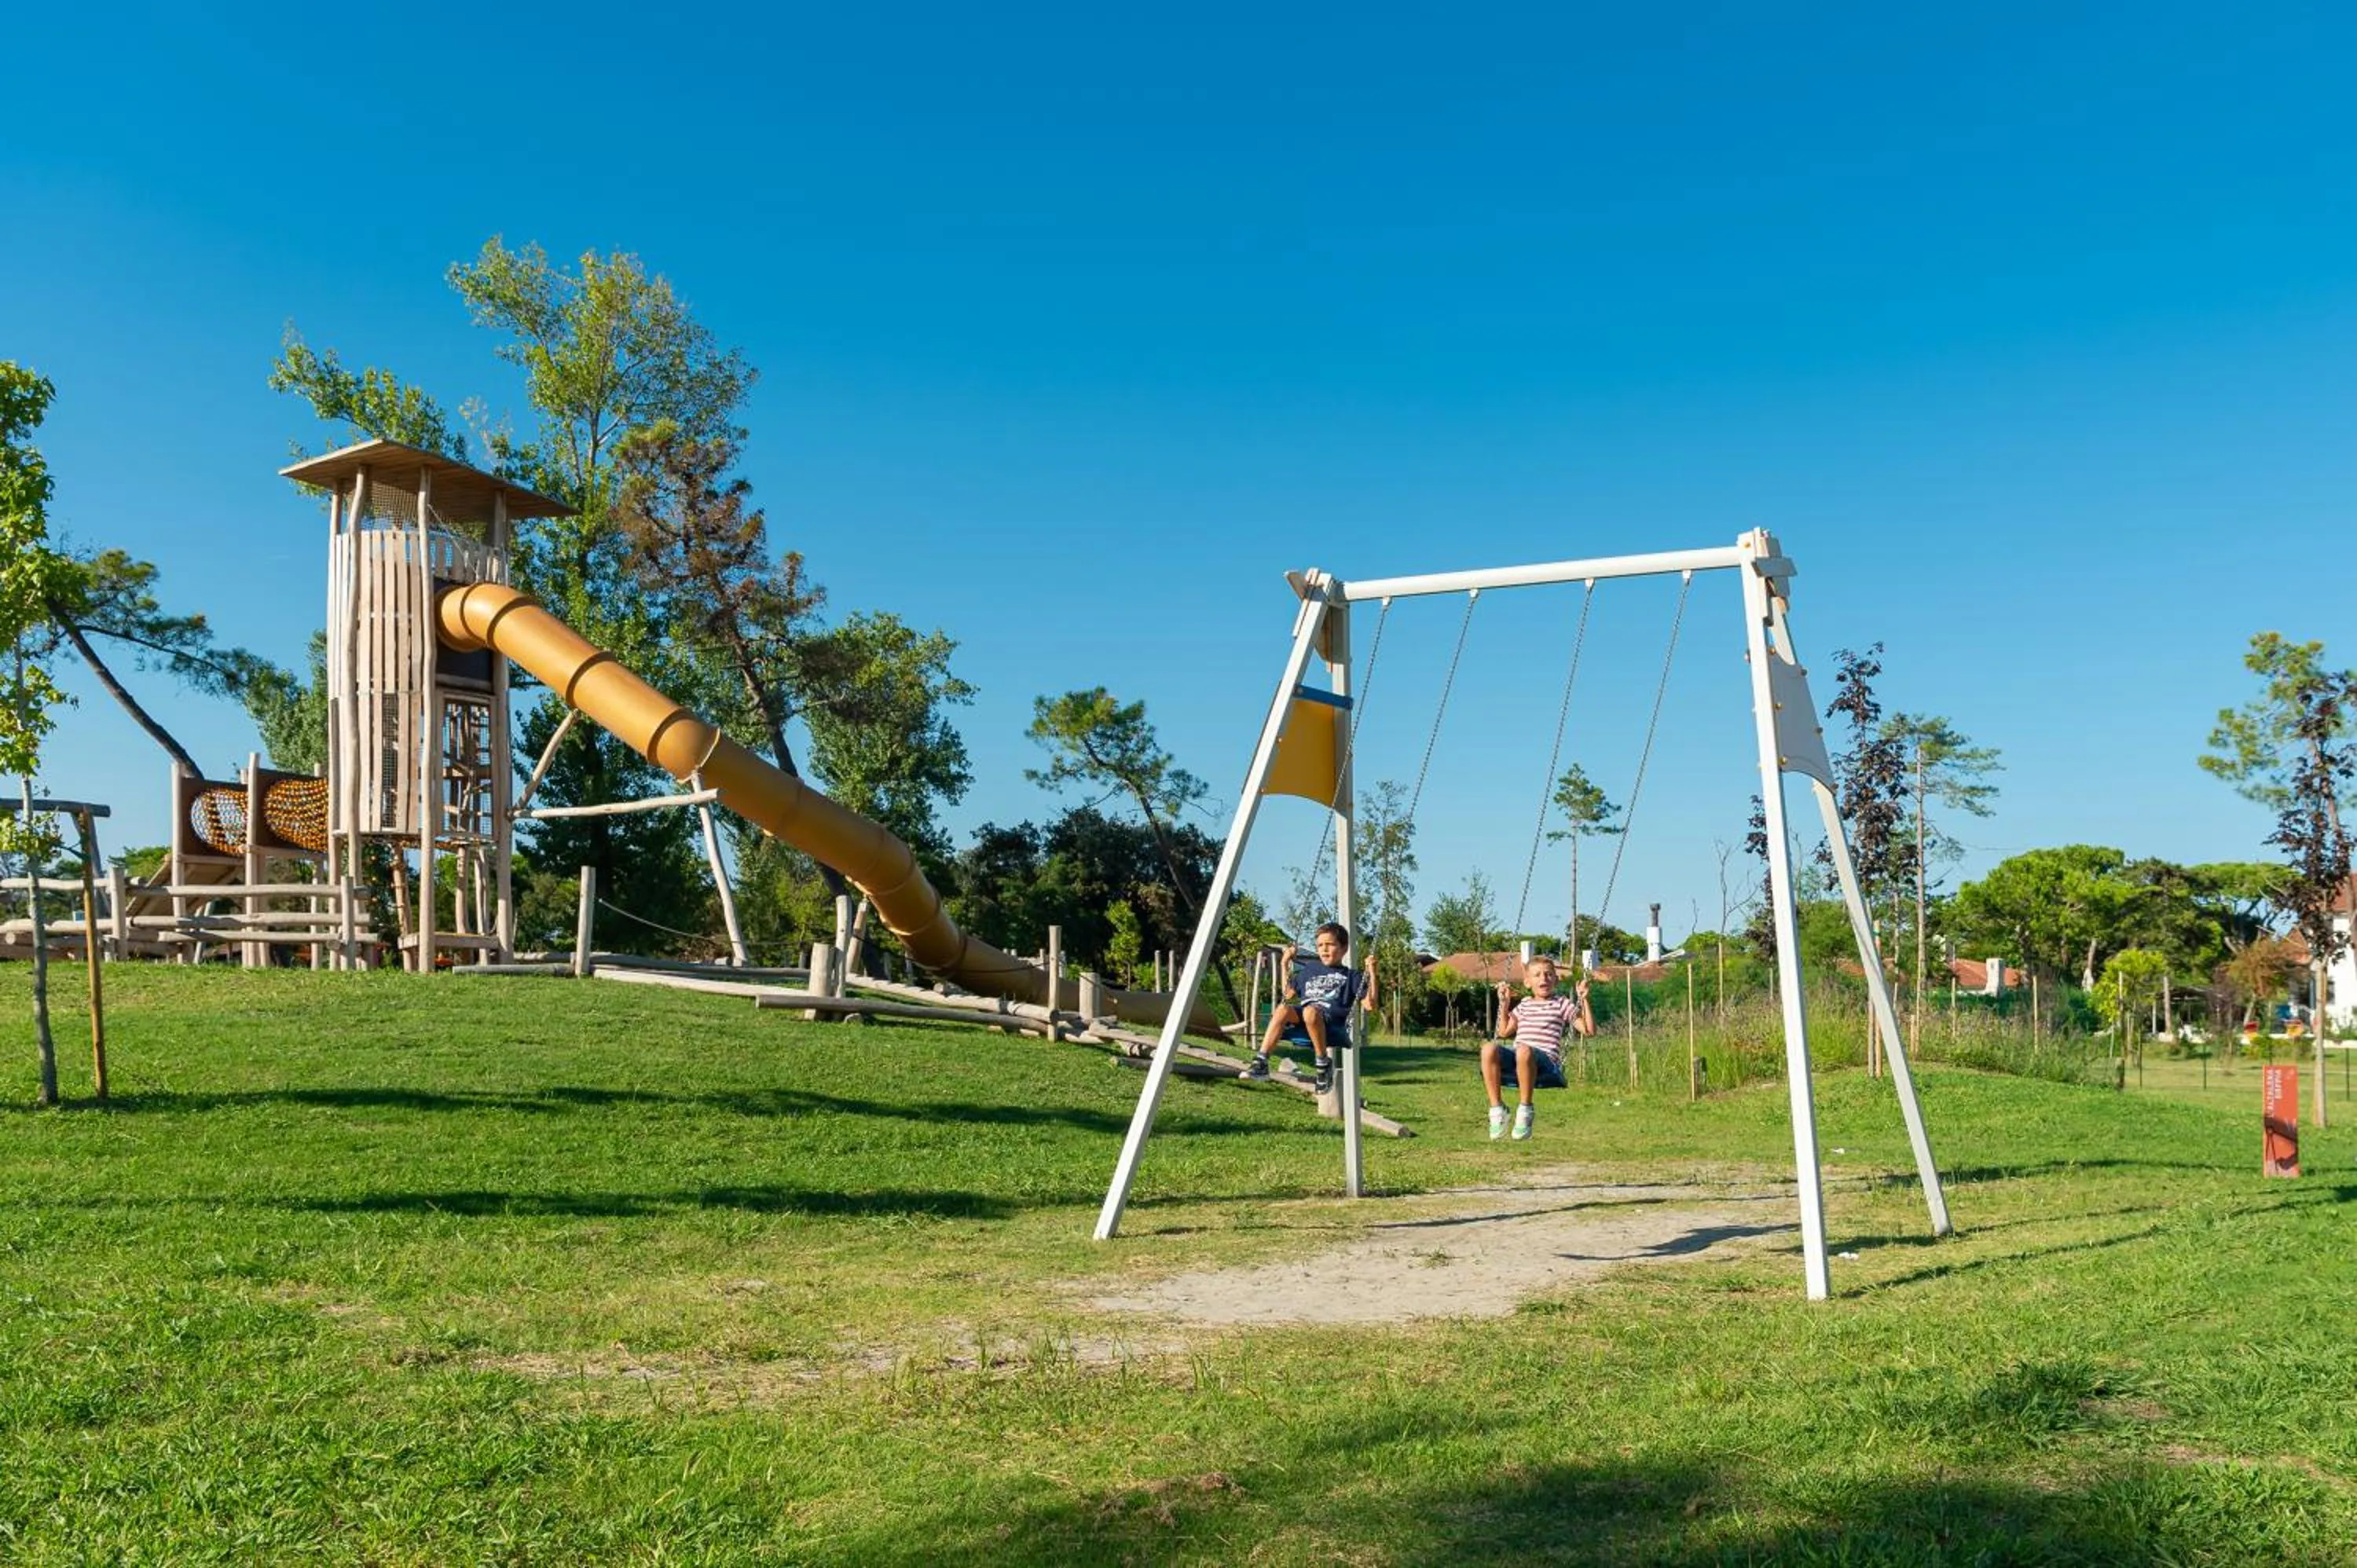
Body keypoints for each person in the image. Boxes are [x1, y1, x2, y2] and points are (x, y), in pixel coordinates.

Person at [1242, 921, 1377, 1095]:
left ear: (1344, 949)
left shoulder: (1352, 976)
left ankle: (1323, 1064)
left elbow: (1369, 1004)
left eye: (1330, 944)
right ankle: (1261, 1062)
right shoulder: (1310, 969)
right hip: (1305, 1018)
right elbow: (1288, 993)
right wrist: (1284, 964)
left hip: (1330, 1023)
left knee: (1310, 1011)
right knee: (1283, 1009)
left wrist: (1372, 973)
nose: (1324, 949)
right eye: (1320, 945)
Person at [1484, 954, 1594, 1141]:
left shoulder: (1562, 1004)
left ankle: (1525, 1110)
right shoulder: (1525, 1004)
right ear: (1527, 982)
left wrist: (1584, 1000)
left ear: (1556, 980)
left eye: (1549, 974)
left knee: (1524, 1050)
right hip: (1520, 1057)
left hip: (1545, 1062)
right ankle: (1497, 1109)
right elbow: (1503, 1032)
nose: (1544, 978)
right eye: (1537, 975)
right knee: (1488, 1048)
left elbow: (1588, 1030)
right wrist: (1504, 1004)